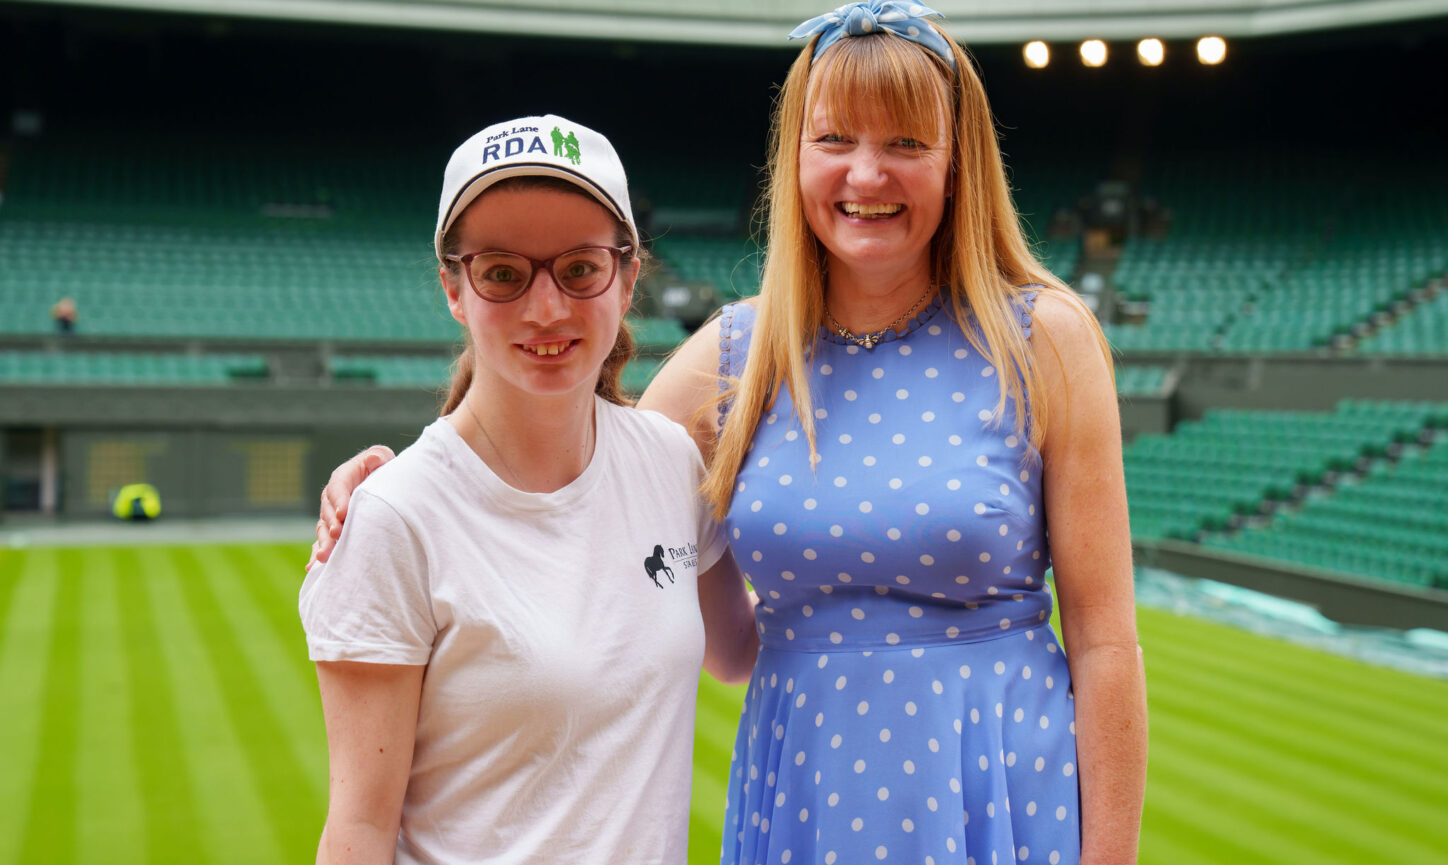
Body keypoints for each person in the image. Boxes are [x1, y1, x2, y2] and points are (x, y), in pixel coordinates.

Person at [311, 4, 1148, 863]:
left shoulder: (1044, 337)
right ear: (793, 159)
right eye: (833, 139)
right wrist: (391, 479)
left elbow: (1105, 640)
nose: (867, 173)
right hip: (804, 788)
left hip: (998, 780)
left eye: (906, 142)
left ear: (957, 162)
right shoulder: (738, 354)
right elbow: (564, 443)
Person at [298, 114, 757, 865]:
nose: (546, 308)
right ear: (454, 286)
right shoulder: (393, 519)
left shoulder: (670, 462)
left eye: (579, 268)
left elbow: (740, 648)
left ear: (628, 273)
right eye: (503, 272)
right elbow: (359, 830)